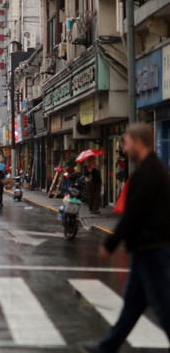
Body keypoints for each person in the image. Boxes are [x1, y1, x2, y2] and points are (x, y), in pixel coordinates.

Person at [81, 124, 170, 353]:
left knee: (163, 307)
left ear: (139, 143)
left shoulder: (148, 173)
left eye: (126, 142)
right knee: (132, 305)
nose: (123, 147)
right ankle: (107, 347)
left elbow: (133, 215)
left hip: (152, 249)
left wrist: (110, 245)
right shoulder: (150, 169)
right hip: (145, 249)